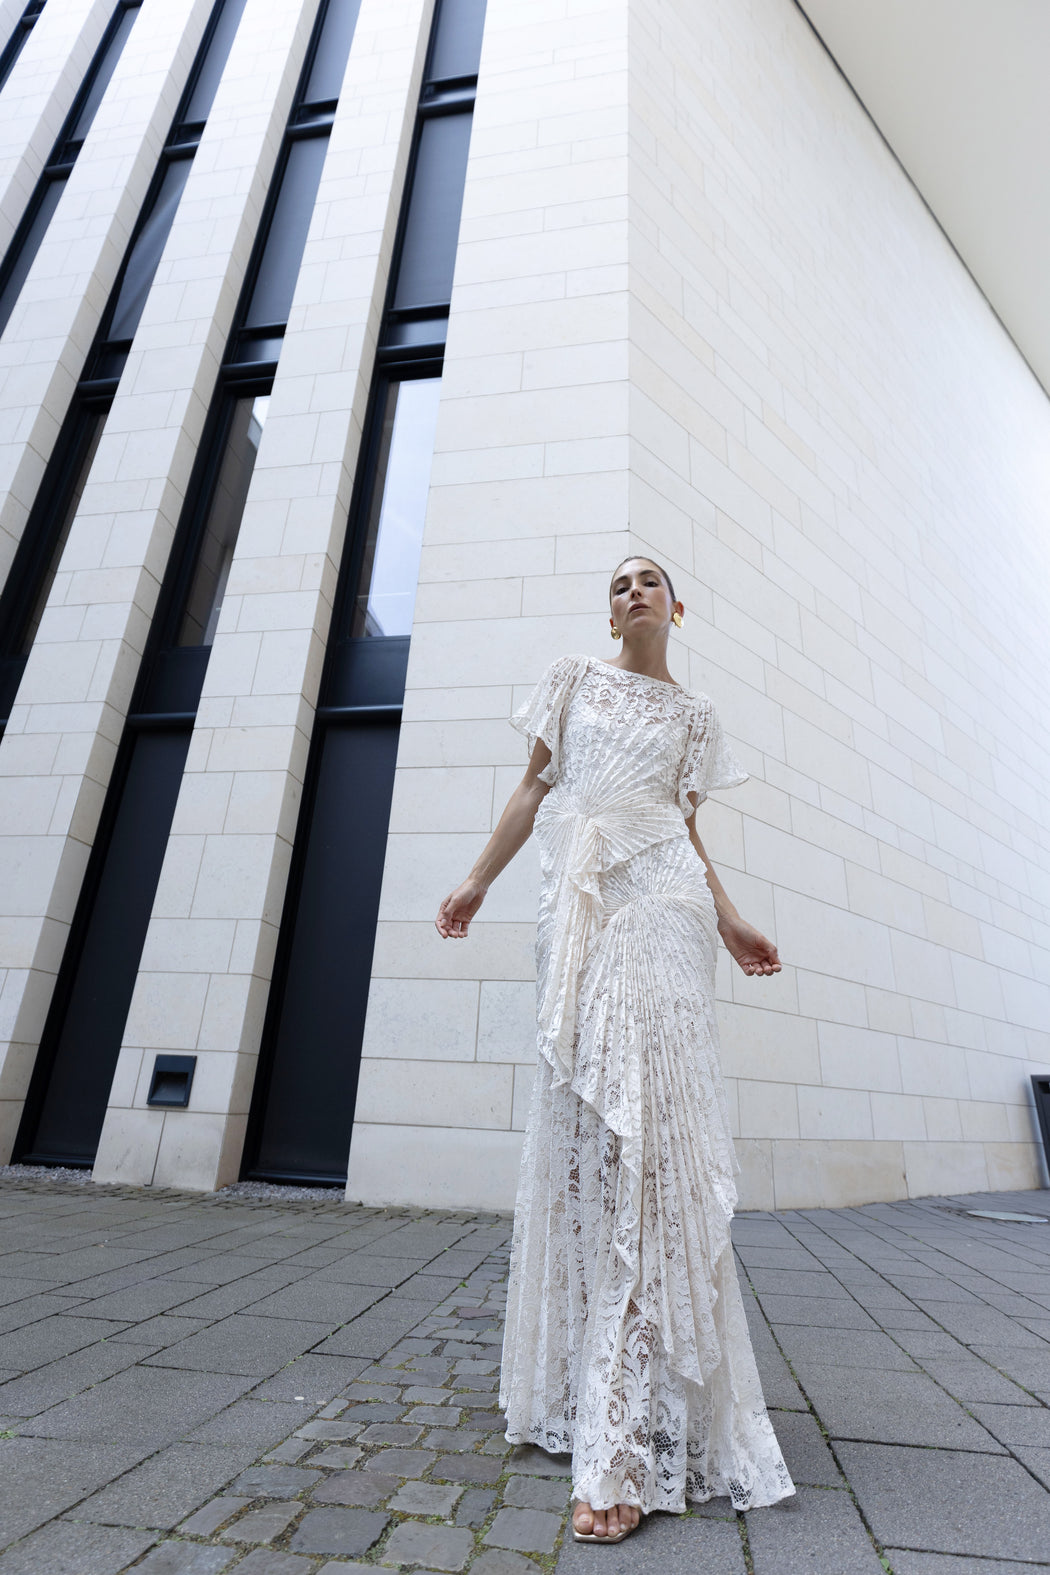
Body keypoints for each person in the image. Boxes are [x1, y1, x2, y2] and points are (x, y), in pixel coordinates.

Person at [435, 557, 795, 1542]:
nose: (631, 591)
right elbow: (530, 791)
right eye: (618, 583)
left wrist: (731, 923)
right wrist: (474, 883)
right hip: (581, 910)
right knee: (591, 1154)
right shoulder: (572, 678)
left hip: (666, 910)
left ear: (677, 607)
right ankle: (585, 1379)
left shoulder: (698, 718)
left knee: (651, 1159)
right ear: (609, 610)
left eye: (649, 582)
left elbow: (689, 832)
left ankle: (622, 1443)